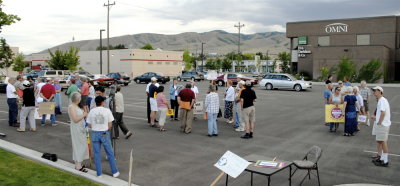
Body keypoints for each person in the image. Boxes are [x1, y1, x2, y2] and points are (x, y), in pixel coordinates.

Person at [87, 96, 120, 178]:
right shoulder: (107, 110)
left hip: (95, 133)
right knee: (110, 153)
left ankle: (99, 173)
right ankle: (114, 171)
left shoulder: (92, 111)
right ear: (102, 102)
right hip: (104, 133)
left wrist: (96, 127)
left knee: (97, 154)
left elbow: (89, 124)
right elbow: (110, 125)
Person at [68, 92, 89, 173]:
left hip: (81, 127)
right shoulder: (71, 107)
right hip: (76, 128)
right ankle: (78, 165)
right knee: (79, 145)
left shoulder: (76, 106)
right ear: (77, 99)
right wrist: (84, 115)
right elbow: (75, 119)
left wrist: (85, 112)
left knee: (82, 145)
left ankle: (78, 163)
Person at [371, 86, 391, 167]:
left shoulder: (382, 100)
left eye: (375, 91)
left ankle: (385, 161)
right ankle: (382, 158)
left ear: (379, 91)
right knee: (381, 141)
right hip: (383, 124)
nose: (374, 92)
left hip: (382, 124)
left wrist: (379, 122)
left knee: (383, 142)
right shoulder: (382, 100)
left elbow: (383, 113)